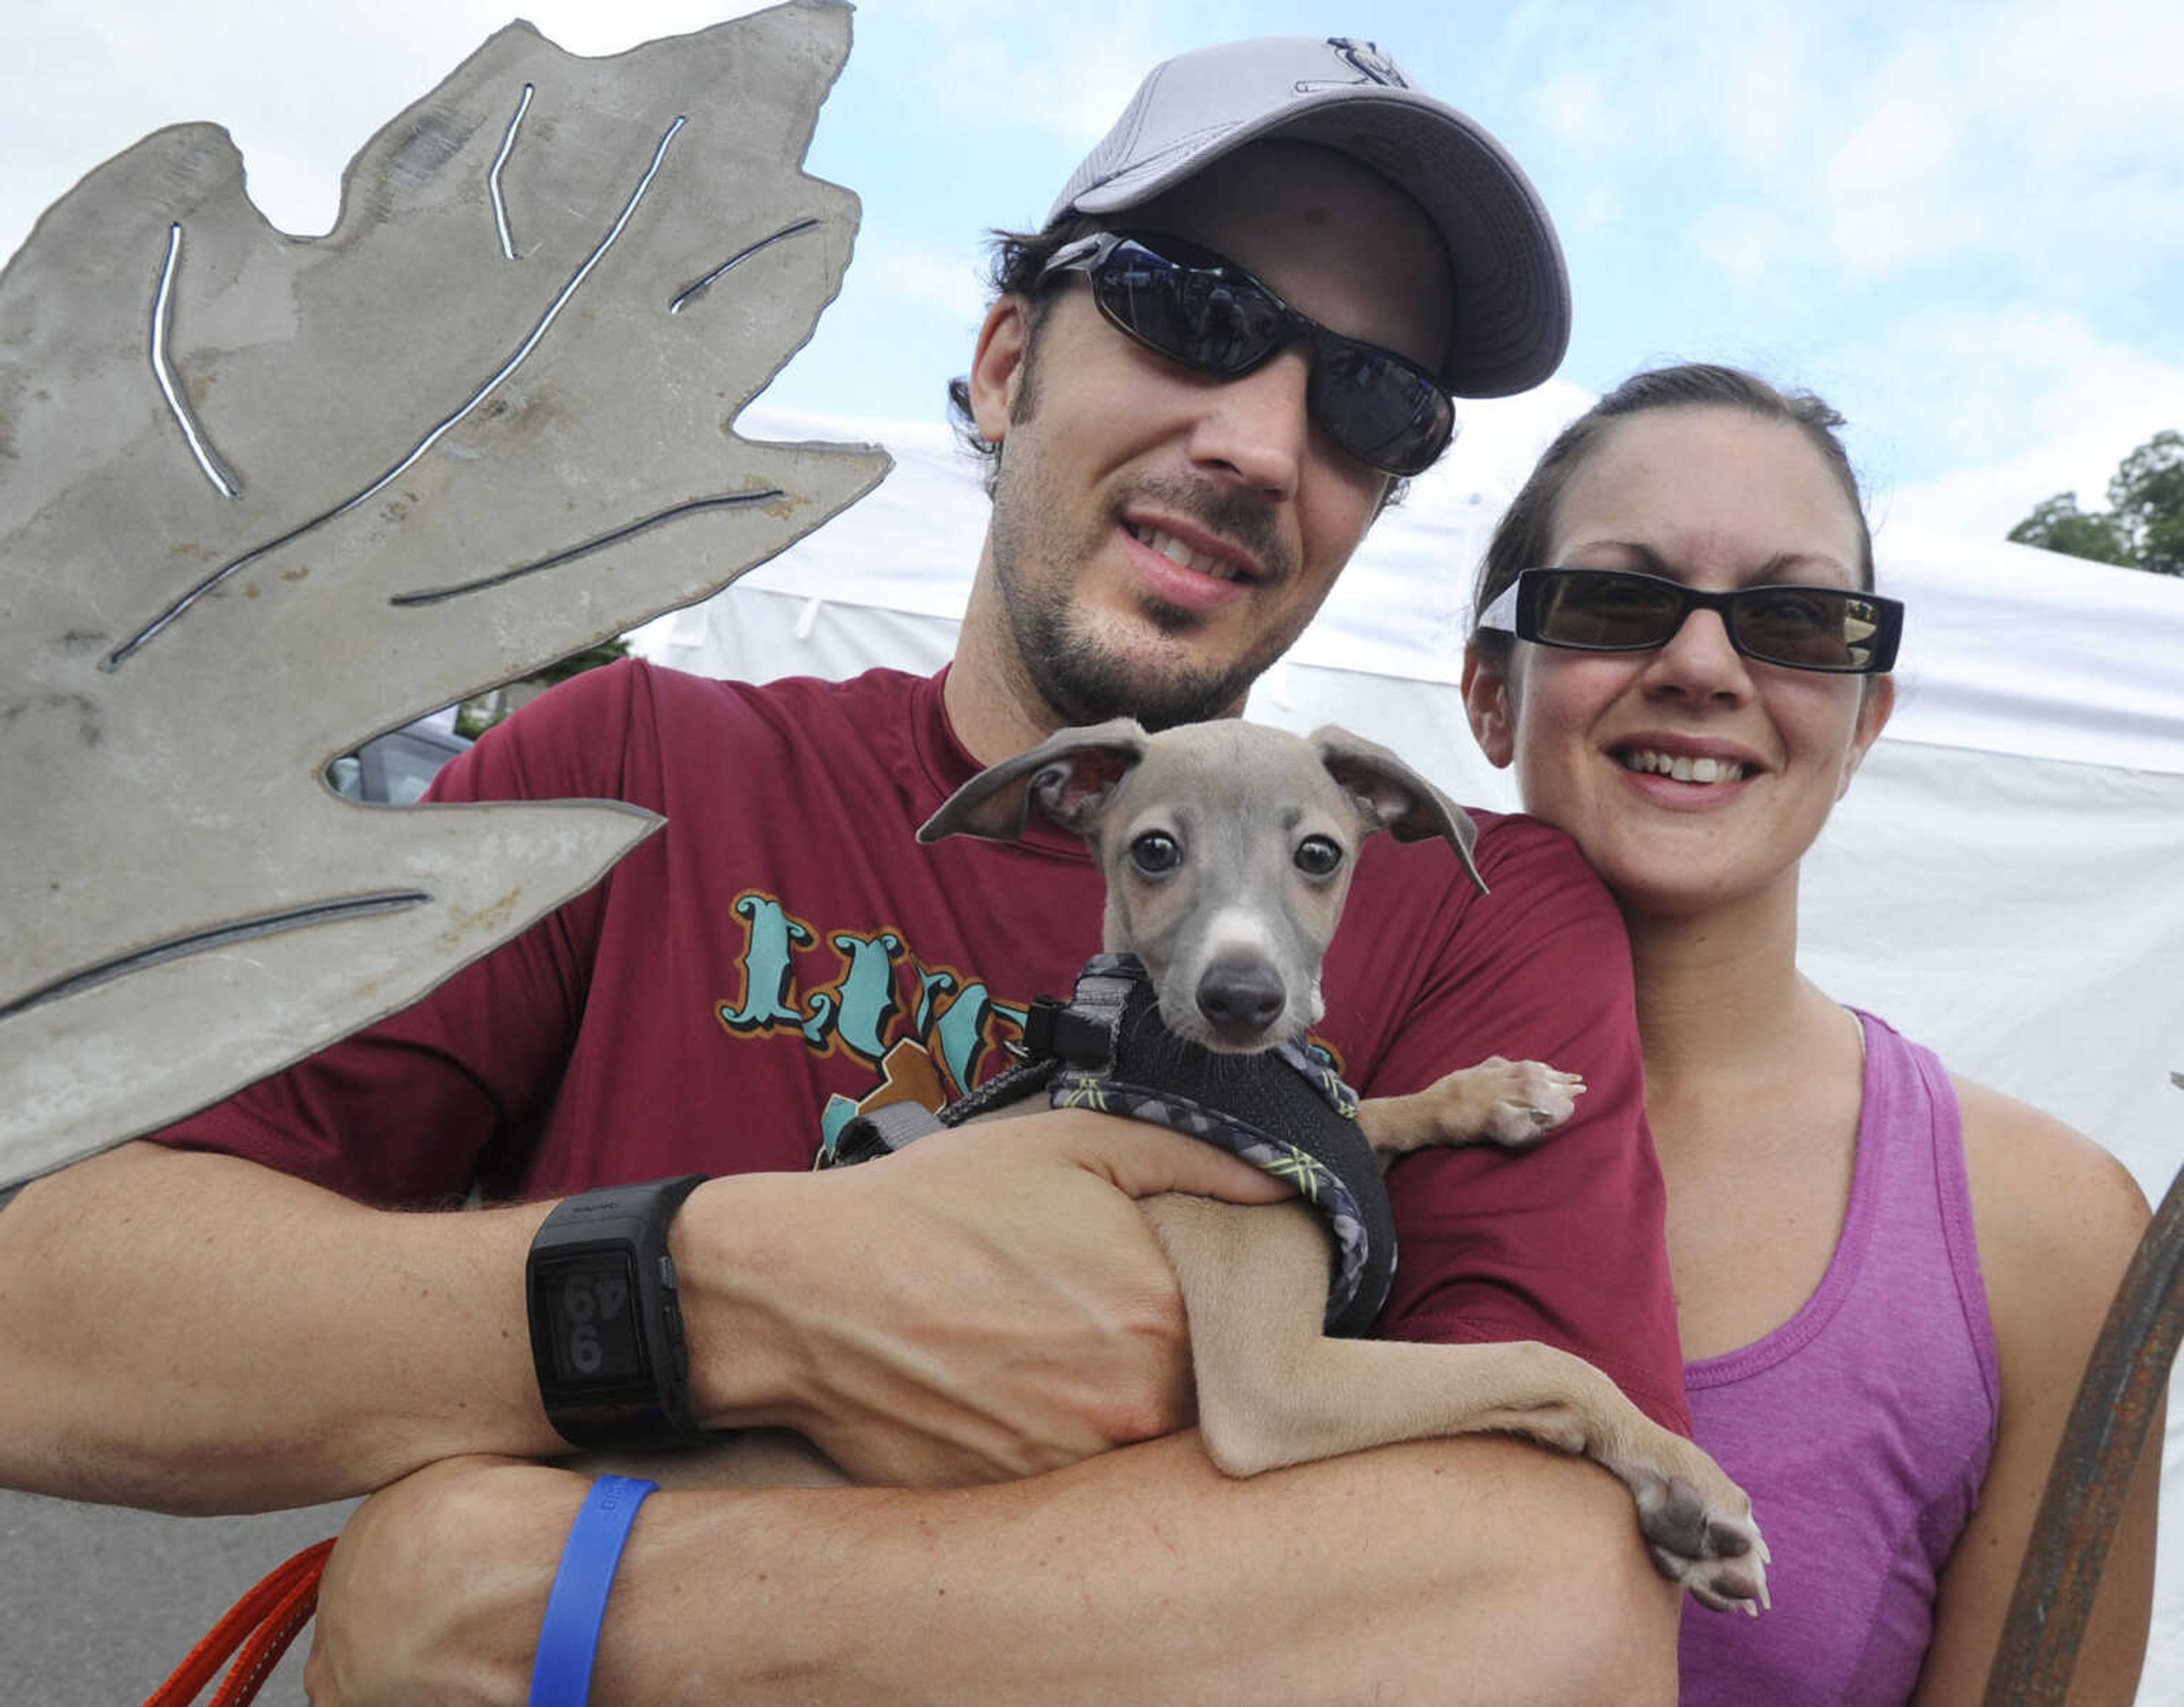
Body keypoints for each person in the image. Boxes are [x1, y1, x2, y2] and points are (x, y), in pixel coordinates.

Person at [0, 39, 1696, 1705]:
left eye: (1371, 400)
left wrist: (552, 1599)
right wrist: (743, 1294)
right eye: (1199, 312)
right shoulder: (640, 768)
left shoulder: (1470, 908)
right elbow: (54, 1311)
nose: (1261, 437)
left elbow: (1567, 1603)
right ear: (1006, 359)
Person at [1459, 362, 2160, 1704]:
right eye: (1618, 598)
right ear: (1494, 690)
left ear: (1864, 718)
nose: (1704, 665)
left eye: (1794, 618)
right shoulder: (1302, 1113)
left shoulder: (2047, 1232)